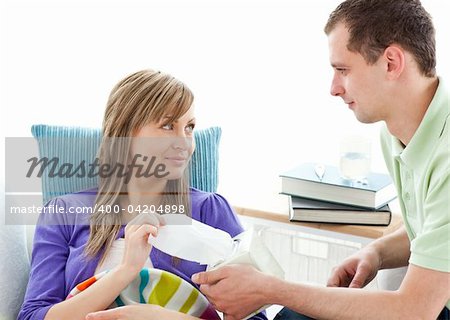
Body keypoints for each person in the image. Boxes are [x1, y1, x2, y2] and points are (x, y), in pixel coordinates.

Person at [192, 0, 450, 319]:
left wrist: (270, 289)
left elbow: (414, 310)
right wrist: (376, 252)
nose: (334, 88)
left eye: (343, 70)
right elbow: (432, 231)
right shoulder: (398, 132)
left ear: (391, 62)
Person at [18, 69, 267, 320]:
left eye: (189, 127)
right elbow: (32, 316)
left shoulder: (211, 210)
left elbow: (255, 317)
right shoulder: (62, 213)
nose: (184, 142)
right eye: (168, 125)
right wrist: (126, 269)